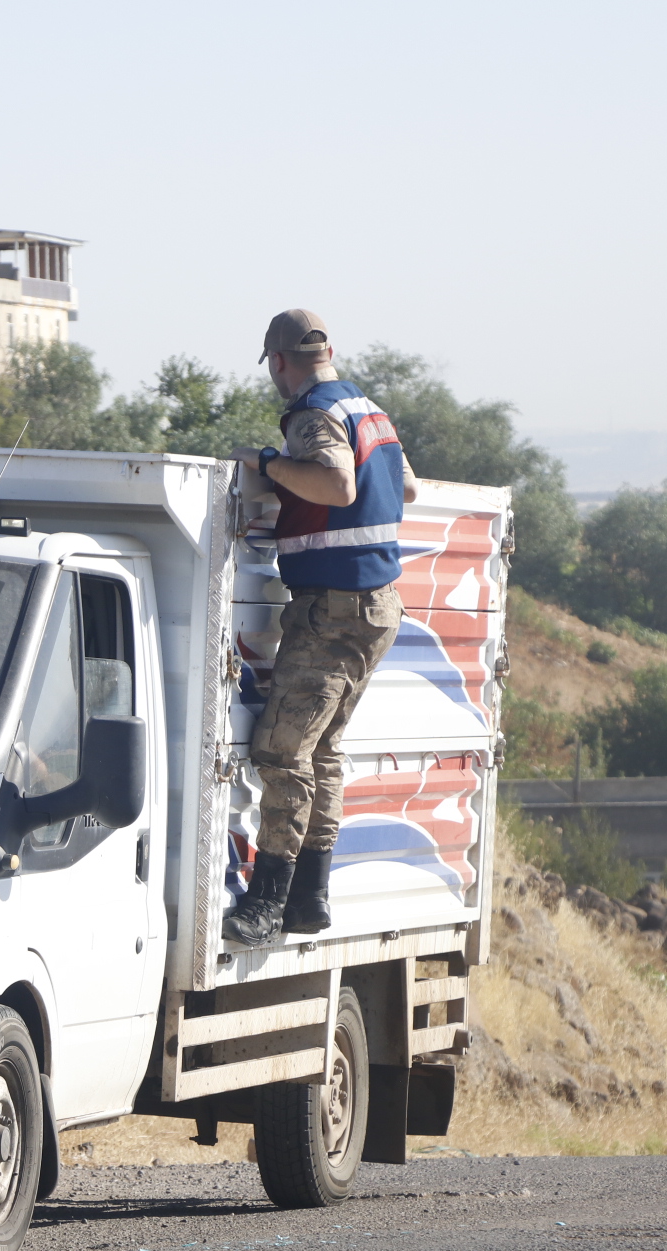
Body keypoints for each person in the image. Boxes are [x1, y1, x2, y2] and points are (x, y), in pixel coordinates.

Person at [223, 308, 420, 946]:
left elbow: (335, 482)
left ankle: (268, 901)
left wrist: (271, 463)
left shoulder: (312, 414)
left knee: (283, 751)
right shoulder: (371, 411)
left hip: (333, 607)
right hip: (376, 606)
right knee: (324, 752)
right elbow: (405, 488)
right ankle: (310, 897)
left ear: (279, 361)